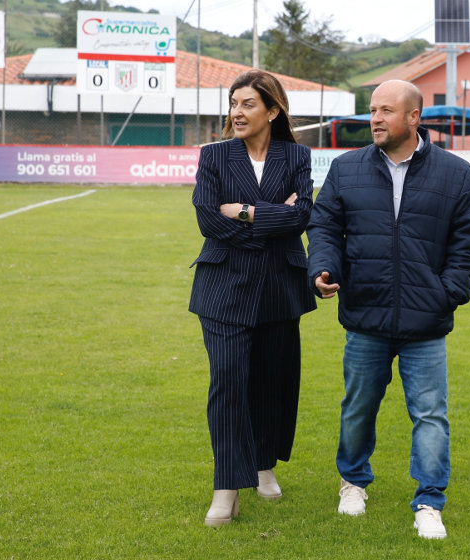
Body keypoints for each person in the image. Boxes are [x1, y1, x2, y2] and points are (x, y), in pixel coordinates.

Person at [306, 79, 470, 539]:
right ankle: (353, 482)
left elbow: (468, 245)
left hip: (426, 322)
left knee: (430, 414)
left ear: (413, 118)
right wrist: (322, 268)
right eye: (372, 110)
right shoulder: (347, 170)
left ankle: (428, 501)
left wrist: (448, 292)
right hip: (365, 315)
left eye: (386, 110)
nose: (376, 119)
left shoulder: (457, 173)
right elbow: (323, 225)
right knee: (358, 407)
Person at [189, 69, 316, 527]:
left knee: (270, 383)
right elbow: (208, 220)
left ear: (272, 110)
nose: (236, 112)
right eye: (233, 103)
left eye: (247, 104)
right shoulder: (214, 156)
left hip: (281, 289)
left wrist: (243, 212)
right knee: (227, 383)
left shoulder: (297, 155)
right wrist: (270, 220)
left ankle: (264, 468)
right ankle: (226, 489)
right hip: (223, 289)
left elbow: (301, 216)